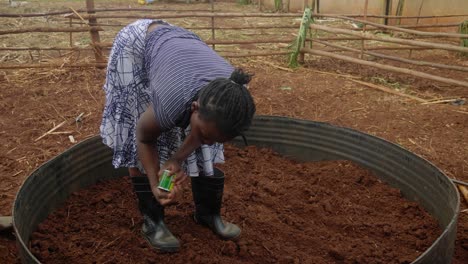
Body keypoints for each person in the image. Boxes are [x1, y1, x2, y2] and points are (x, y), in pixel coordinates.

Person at [100, 19, 256, 253]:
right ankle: (153, 222)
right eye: (204, 134)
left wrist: (175, 159)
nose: (208, 142)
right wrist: (155, 183)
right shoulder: (173, 98)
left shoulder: (233, 97)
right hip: (137, 47)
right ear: (194, 107)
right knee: (139, 120)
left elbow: (206, 135)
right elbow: (143, 137)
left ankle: (207, 214)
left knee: (206, 139)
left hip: (178, 49)